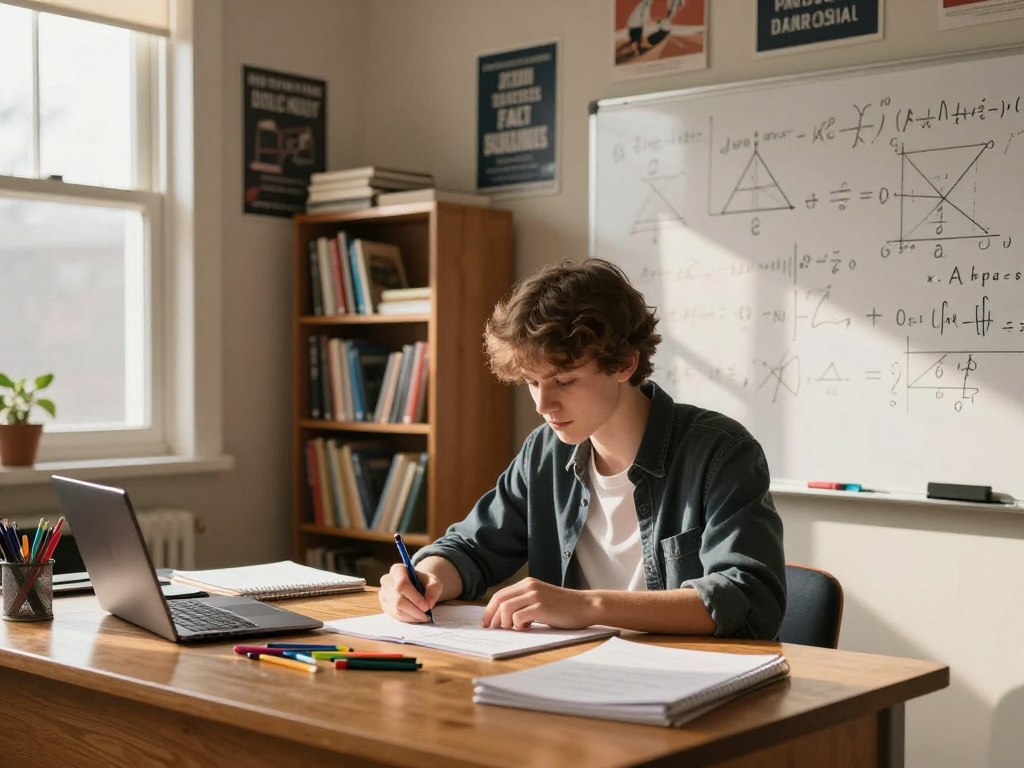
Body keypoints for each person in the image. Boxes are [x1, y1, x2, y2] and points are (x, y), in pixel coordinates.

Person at [378, 259, 786, 639]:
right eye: (532, 382)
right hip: (572, 676)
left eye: (564, 381)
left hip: (691, 682)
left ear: (625, 363)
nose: (542, 405)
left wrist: (588, 606)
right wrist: (424, 578)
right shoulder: (545, 452)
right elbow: (471, 547)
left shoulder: (720, 452)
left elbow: (747, 599)